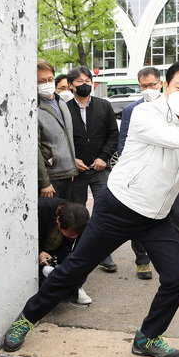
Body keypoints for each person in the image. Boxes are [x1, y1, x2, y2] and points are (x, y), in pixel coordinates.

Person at [4, 57, 179, 357]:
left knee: (177, 278)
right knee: (75, 268)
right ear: (166, 86)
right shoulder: (145, 113)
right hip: (119, 208)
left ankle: (147, 337)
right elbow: (176, 140)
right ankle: (27, 318)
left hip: (157, 217)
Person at [118, 67, 179, 282]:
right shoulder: (133, 110)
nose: (149, 89)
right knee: (138, 221)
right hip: (144, 180)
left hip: (171, 178)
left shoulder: (178, 107)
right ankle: (142, 261)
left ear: (161, 84)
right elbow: (124, 142)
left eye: (152, 84)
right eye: (144, 86)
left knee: (178, 220)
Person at [65, 66, 119, 272]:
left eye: (88, 80)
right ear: (71, 85)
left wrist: (103, 157)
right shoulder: (64, 109)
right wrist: (72, 160)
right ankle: (76, 254)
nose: (85, 84)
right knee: (75, 214)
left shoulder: (104, 106)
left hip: (100, 169)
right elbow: (62, 140)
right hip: (76, 171)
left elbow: (113, 135)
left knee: (104, 211)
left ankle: (104, 254)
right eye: (79, 81)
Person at [37, 59, 78, 199]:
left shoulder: (61, 102)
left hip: (67, 174)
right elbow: (35, 149)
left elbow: (67, 138)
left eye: (50, 79)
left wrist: (71, 168)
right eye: (41, 81)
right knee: (51, 218)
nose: (47, 83)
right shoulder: (34, 109)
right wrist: (44, 182)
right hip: (51, 177)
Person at [37, 197, 91, 304]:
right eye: (70, 234)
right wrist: (39, 252)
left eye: (77, 234)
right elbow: (21, 239)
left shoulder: (80, 218)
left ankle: (77, 287)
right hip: (37, 248)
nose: (74, 236)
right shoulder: (40, 209)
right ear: (58, 220)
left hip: (59, 249)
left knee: (83, 257)